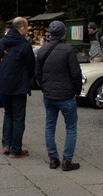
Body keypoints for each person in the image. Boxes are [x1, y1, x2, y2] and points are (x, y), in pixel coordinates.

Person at [35, 21, 83, 171]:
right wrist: (77, 90)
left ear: (50, 33)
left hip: (49, 95)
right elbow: (76, 74)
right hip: (66, 94)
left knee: (50, 126)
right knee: (71, 127)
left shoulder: (42, 50)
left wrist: (45, 88)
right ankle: (67, 161)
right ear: (63, 33)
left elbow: (38, 74)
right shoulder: (68, 50)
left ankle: (53, 159)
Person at [0, 17, 35, 158]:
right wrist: (27, 78)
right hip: (19, 85)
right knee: (18, 117)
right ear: (22, 28)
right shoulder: (24, 45)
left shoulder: (1, 43)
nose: (27, 30)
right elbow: (31, 66)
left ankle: (6, 144)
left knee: (8, 114)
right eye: (27, 28)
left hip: (4, 82)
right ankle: (16, 149)